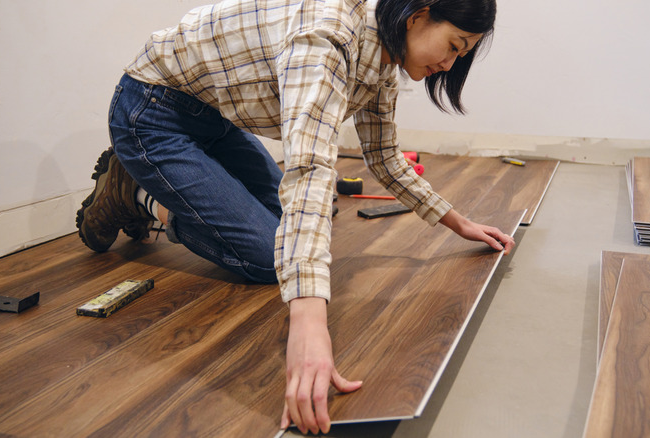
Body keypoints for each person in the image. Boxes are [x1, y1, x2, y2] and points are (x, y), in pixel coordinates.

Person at [76, 0, 514, 434]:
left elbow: (383, 156)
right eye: (455, 45)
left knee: (285, 229)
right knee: (268, 257)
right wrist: (308, 329)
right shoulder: (327, 39)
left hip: (213, 118)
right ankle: (133, 195)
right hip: (152, 112)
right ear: (418, 14)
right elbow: (308, 171)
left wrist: (456, 221)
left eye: (462, 53)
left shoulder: (381, 52)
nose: (451, 62)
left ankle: (156, 184)